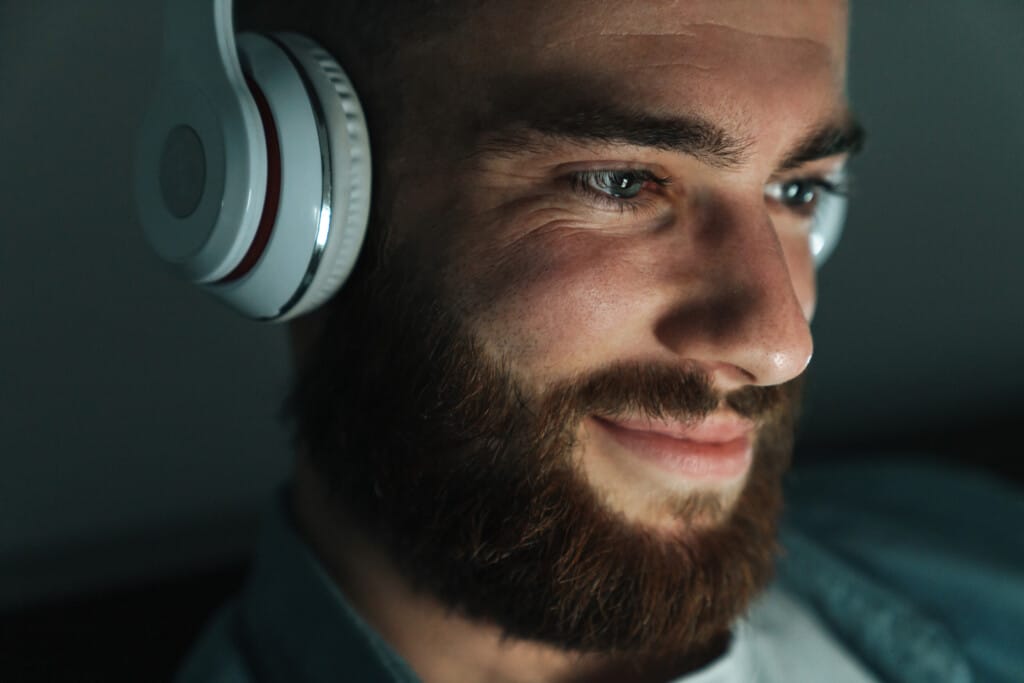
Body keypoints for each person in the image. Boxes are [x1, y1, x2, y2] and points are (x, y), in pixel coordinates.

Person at [173, 1, 1021, 682]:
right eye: (620, 181)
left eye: (797, 190)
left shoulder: (963, 537)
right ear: (290, 209)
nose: (778, 344)